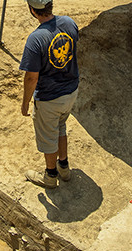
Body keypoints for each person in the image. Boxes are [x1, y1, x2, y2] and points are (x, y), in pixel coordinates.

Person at [19, 0, 79, 189]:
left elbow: (31, 78)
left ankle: (50, 176)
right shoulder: (69, 23)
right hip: (71, 91)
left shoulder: (35, 39)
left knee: (48, 136)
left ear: (32, 10)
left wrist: (25, 102)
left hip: (50, 98)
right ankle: (64, 168)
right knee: (60, 127)